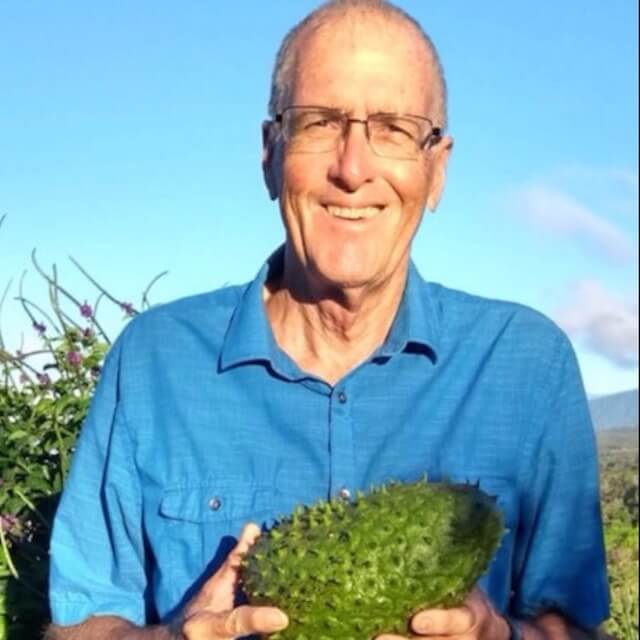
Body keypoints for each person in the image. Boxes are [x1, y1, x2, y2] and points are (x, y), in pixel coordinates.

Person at [46, 1, 610, 638]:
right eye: (319, 123)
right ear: (270, 153)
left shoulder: (527, 364)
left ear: (437, 169)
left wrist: (500, 636)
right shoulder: (155, 362)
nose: (352, 168)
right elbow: (80, 624)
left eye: (394, 129)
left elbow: (575, 627)